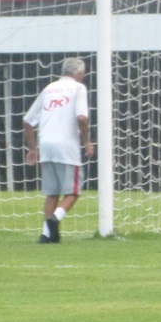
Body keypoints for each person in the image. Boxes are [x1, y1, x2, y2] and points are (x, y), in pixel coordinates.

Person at [23, 57, 94, 244]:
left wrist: (33, 149)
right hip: (66, 146)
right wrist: (87, 141)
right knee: (73, 191)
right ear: (80, 73)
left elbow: (28, 121)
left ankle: (46, 235)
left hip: (46, 145)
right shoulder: (79, 88)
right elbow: (81, 118)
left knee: (52, 192)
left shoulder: (49, 88)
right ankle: (55, 218)